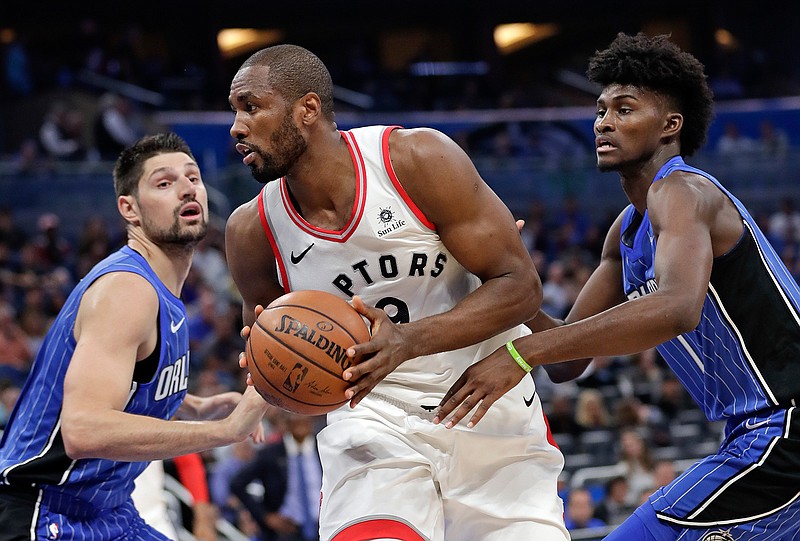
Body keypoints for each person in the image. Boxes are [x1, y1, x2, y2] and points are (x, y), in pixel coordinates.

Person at [434, 32, 800, 540]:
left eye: (625, 110)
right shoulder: (625, 231)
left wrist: (521, 354)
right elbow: (567, 361)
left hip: (784, 430)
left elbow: (676, 308)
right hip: (754, 434)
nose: (604, 122)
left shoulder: (684, 191)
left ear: (670, 126)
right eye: (601, 110)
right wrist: (500, 269)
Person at [224, 44, 568, 540]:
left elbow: (521, 288)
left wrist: (406, 341)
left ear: (307, 109)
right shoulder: (252, 231)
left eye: (250, 106)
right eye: (234, 111)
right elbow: (276, 353)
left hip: (488, 416)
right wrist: (270, 372)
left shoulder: (415, 159)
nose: (236, 127)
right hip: (372, 430)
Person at [0, 133, 269, 541]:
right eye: (164, 183)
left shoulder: (164, 293)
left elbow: (128, 386)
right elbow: (83, 430)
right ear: (130, 209)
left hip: (109, 510)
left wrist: (196, 406)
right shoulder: (127, 290)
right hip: (43, 511)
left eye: (192, 177)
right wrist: (225, 430)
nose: (186, 188)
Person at [230, 412, 322, 541]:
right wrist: (265, 516)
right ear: (285, 422)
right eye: (295, 415)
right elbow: (237, 484)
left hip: (323, 525)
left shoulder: (324, 450)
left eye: (303, 414)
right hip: (286, 530)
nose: (300, 419)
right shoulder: (270, 454)